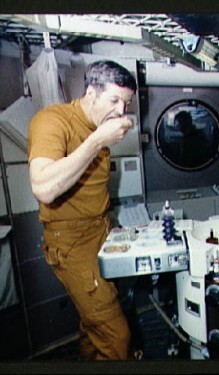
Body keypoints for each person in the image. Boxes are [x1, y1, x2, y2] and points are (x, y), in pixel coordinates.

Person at [27, 60, 138, 360]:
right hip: (73, 243)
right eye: (114, 100)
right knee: (117, 335)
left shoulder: (97, 127)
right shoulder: (52, 121)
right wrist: (97, 141)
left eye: (126, 103)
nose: (121, 112)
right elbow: (44, 187)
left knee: (94, 324)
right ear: (91, 92)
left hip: (101, 230)